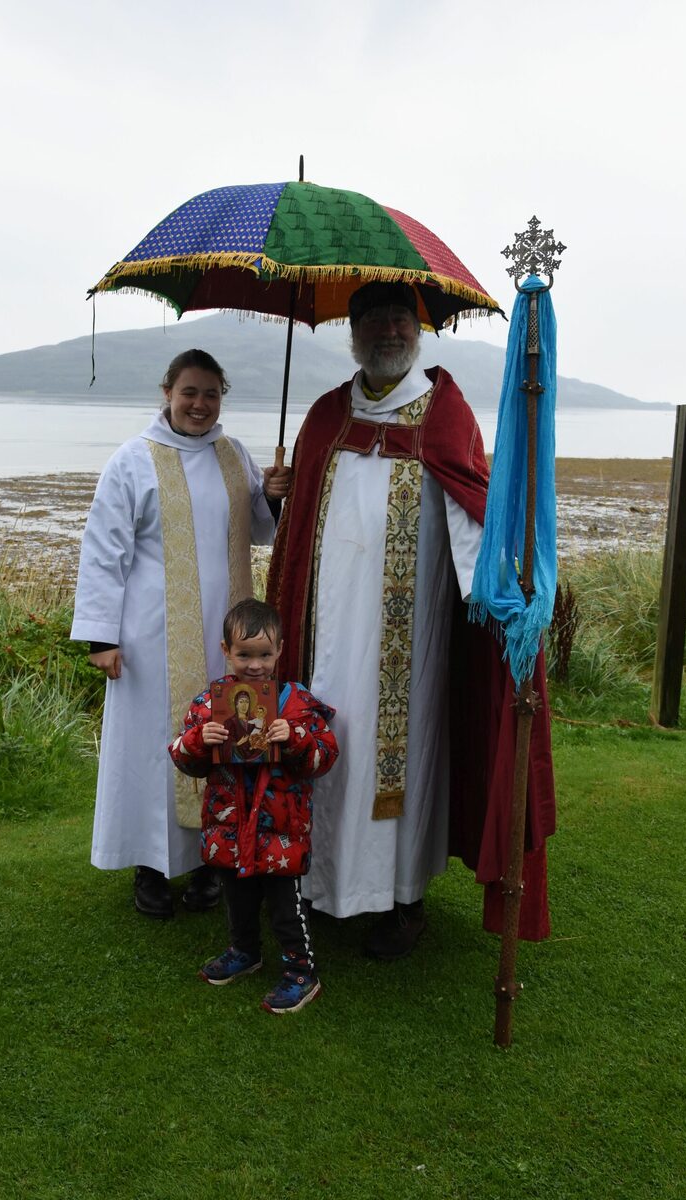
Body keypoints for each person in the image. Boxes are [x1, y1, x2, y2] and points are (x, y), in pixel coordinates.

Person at [267, 281, 555, 959]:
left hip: (408, 641)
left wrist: (503, 580)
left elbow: (474, 507)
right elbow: (302, 525)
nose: (387, 331)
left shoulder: (444, 412)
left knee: (395, 761)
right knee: (323, 739)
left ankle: (400, 900)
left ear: (418, 328)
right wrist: (277, 497)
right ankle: (317, 884)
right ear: (354, 331)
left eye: (399, 319)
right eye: (373, 321)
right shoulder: (325, 415)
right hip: (325, 633)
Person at [71, 349, 290, 919]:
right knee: (157, 747)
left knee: (221, 741)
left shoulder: (231, 453)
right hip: (152, 636)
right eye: (190, 392)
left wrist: (271, 492)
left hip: (226, 632)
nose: (200, 404)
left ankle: (210, 863)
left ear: (223, 398)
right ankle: (150, 865)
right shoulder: (132, 461)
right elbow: (103, 551)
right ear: (166, 391)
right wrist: (102, 636)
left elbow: (259, 530)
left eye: (212, 393)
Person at [169, 598, 339, 1014]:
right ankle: (244, 951)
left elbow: (324, 756)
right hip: (228, 826)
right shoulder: (209, 705)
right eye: (244, 654)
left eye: (265, 654)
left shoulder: (297, 705)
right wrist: (198, 741)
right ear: (226, 651)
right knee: (237, 898)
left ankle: (302, 972)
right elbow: (181, 757)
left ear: (279, 651)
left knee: (285, 906)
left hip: (281, 829)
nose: (256, 665)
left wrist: (295, 736)